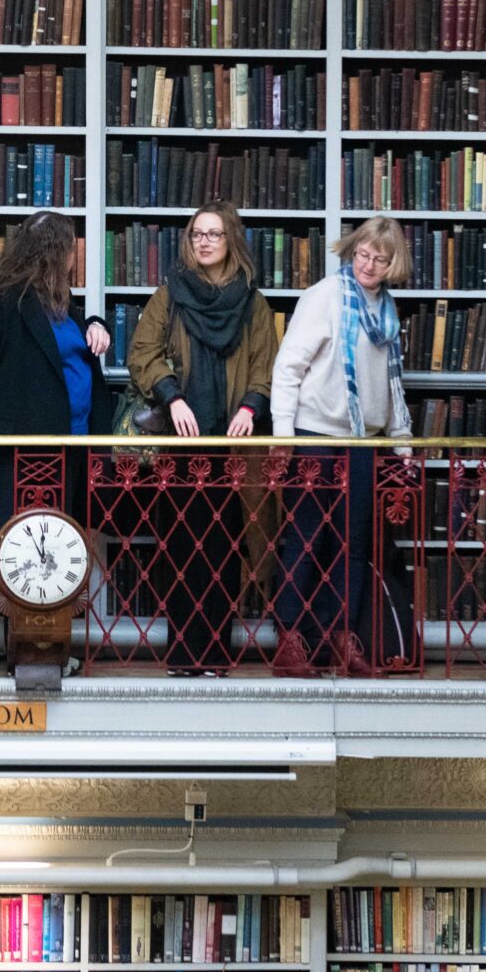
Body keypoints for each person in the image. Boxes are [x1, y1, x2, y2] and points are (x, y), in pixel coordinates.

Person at [0, 210, 115, 666]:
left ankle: (53, 649)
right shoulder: (4, 302)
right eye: (72, 245)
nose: (76, 255)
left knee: (61, 553)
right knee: (26, 555)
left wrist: (95, 322)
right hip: (23, 457)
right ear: (56, 252)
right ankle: (29, 653)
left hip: (71, 454)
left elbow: (71, 345)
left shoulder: (62, 302)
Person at [127, 202, 280, 677]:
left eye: (214, 234)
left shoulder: (254, 303)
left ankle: (214, 655)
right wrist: (172, 397)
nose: (205, 242)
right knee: (180, 546)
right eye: (197, 235)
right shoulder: (169, 294)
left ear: (231, 240)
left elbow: (266, 362)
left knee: (226, 547)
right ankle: (182, 655)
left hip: (235, 447)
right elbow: (142, 352)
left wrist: (252, 406)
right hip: (180, 443)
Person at [268, 215, 414, 680]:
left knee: (352, 546)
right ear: (352, 251)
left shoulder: (387, 313)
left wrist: (403, 442)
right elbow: (288, 366)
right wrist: (283, 434)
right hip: (313, 435)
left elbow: (391, 388)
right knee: (307, 539)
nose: (368, 264)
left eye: (380, 258)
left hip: (362, 441)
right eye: (363, 254)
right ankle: (290, 641)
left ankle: (341, 640)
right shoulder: (325, 297)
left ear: (394, 264)